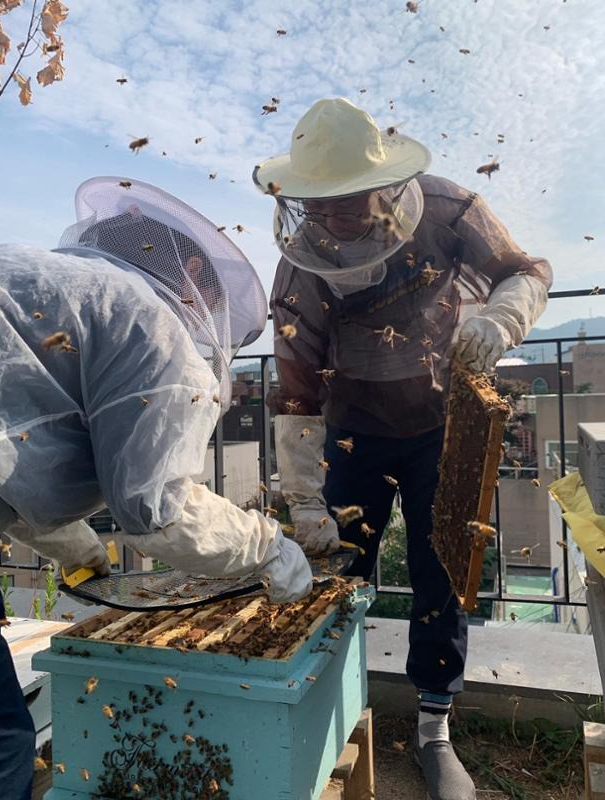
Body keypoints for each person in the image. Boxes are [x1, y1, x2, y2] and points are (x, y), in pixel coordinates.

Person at [0, 176, 313, 800]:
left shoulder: (28, 275)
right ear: (193, 288)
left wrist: (79, 552)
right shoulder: (148, 323)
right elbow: (157, 510)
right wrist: (269, 547)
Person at [253, 98, 552, 800]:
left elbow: (526, 269)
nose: (335, 219)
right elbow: (295, 395)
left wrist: (505, 318)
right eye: (319, 205)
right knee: (332, 575)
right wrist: (303, 501)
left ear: (384, 184)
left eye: (349, 202)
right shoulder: (301, 271)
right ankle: (330, 710)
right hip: (349, 437)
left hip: (441, 425)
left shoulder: (449, 210)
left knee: (440, 569)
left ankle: (434, 727)